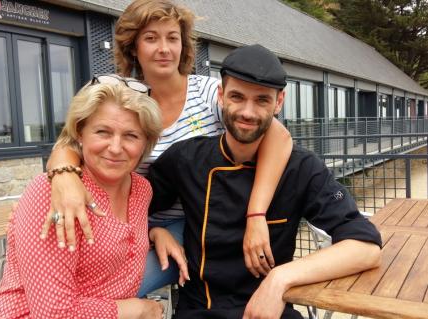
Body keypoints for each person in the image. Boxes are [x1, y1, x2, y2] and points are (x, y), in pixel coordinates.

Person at [43, 0, 293, 296]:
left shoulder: (209, 93)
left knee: (114, 291)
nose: (164, 48)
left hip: (199, 222)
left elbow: (279, 137)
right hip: (131, 222)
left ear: (183, 45)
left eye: (172, 38)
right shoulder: (122, 96)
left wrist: (255, 214)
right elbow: (70, 143)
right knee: (64, 285)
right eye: (151, 38)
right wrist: (64, 177)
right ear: (133, 47)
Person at [147, 44, 383, 319]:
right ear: (221, 96)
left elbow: (366, 249)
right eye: (237, 97)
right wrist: (155, 231)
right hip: (201, 310)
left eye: (261, 100)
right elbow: (131, 208)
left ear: (278, 103)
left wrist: (279, 278)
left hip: (272, 309)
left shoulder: (301, 168)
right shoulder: (187, 159)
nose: (247, 112)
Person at [0, 76, 174, 318]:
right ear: (80, 132)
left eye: (131, 136)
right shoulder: (51, 194)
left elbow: (113, 245)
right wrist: (136, 309)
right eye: (102, 132)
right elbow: (54, 313)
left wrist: (155, 232)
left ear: (147, 142)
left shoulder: (140, 190)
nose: (116, 148)